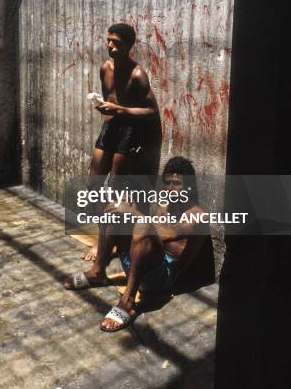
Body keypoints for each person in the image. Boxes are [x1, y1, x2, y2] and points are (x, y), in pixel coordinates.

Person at [64, 156, 210, 333]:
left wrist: (133, 213)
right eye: (167, 183)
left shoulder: (198, 216)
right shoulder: (164, 206)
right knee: (114, 212)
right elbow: (152, 234)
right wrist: (107, 243)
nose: (171, 189)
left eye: (176, 184)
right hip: (142, 266)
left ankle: (127, 301)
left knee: (141, 227)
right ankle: (97, 272)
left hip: (164, 279)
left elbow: (164, 234)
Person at [82, 23, 162, 261]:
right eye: (108, 41)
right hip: (111, 128)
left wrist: (120, 109)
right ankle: (105, 238)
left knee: (116, 193)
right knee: (93, 187)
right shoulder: (104, 68)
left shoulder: (138, 74)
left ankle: (106, 245)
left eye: (116, 42)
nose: (110, 46)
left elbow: (152, 111)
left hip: (131, 131)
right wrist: (104, 108)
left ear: (129, 45)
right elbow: (110, 103)